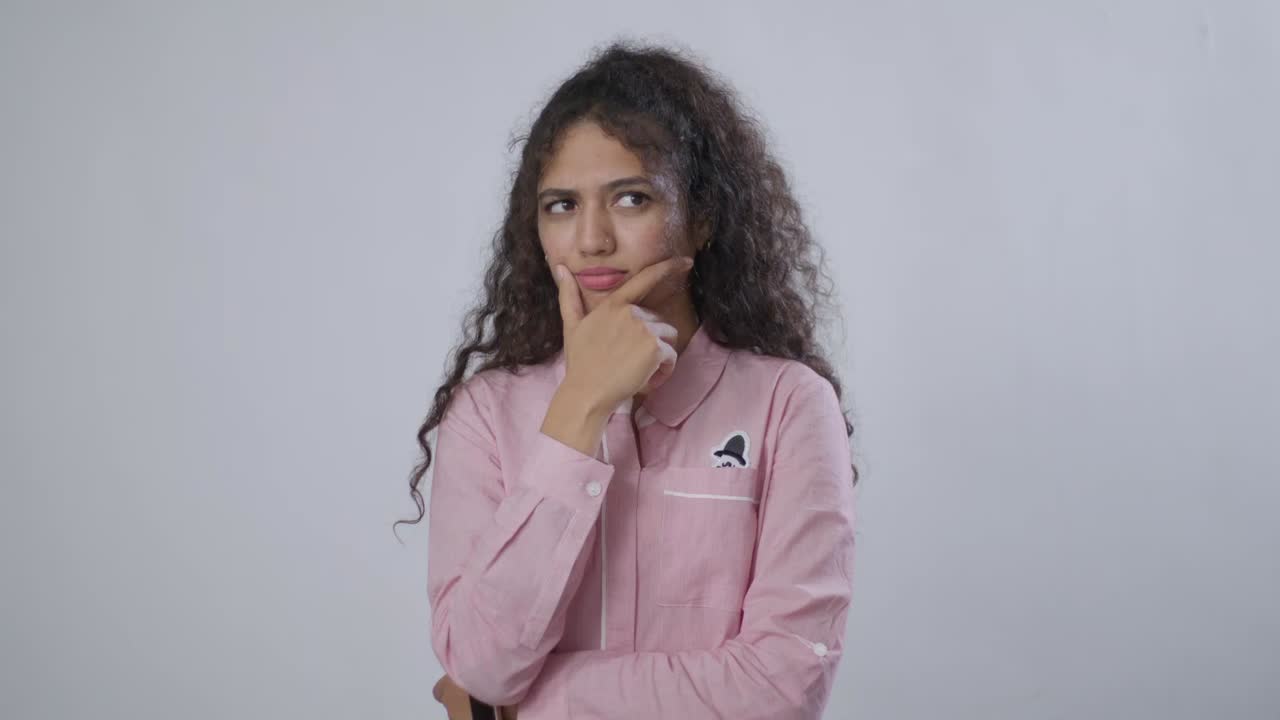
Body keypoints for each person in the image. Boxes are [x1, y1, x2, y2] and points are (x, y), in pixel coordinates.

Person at [400, 38, 860, 719]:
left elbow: (781, 691)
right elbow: (481, 662)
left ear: (701, 219)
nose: (591, 239)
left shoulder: (789, 406)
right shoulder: (485, 414)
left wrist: (517, 710)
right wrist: (581, 406)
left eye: (631, 199)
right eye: (561, 205)